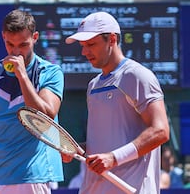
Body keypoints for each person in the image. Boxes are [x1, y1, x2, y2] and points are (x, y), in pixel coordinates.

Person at [0, 9, 64, 194]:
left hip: (32, 177)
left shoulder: (50, 72)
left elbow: (45, 119)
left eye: (23, 45)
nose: (16, 52)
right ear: (3, 37)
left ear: (35, 37)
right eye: (10, 44)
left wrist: (22, 76)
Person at [64, 11, 170, 194]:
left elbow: (160, 131)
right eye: (83, 46)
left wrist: (113, 158)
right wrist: (77, 150)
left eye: (91, 44)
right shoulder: (93, 85)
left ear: (112, 39)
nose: (85, 52)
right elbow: (107, 141)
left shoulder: (137, 75)